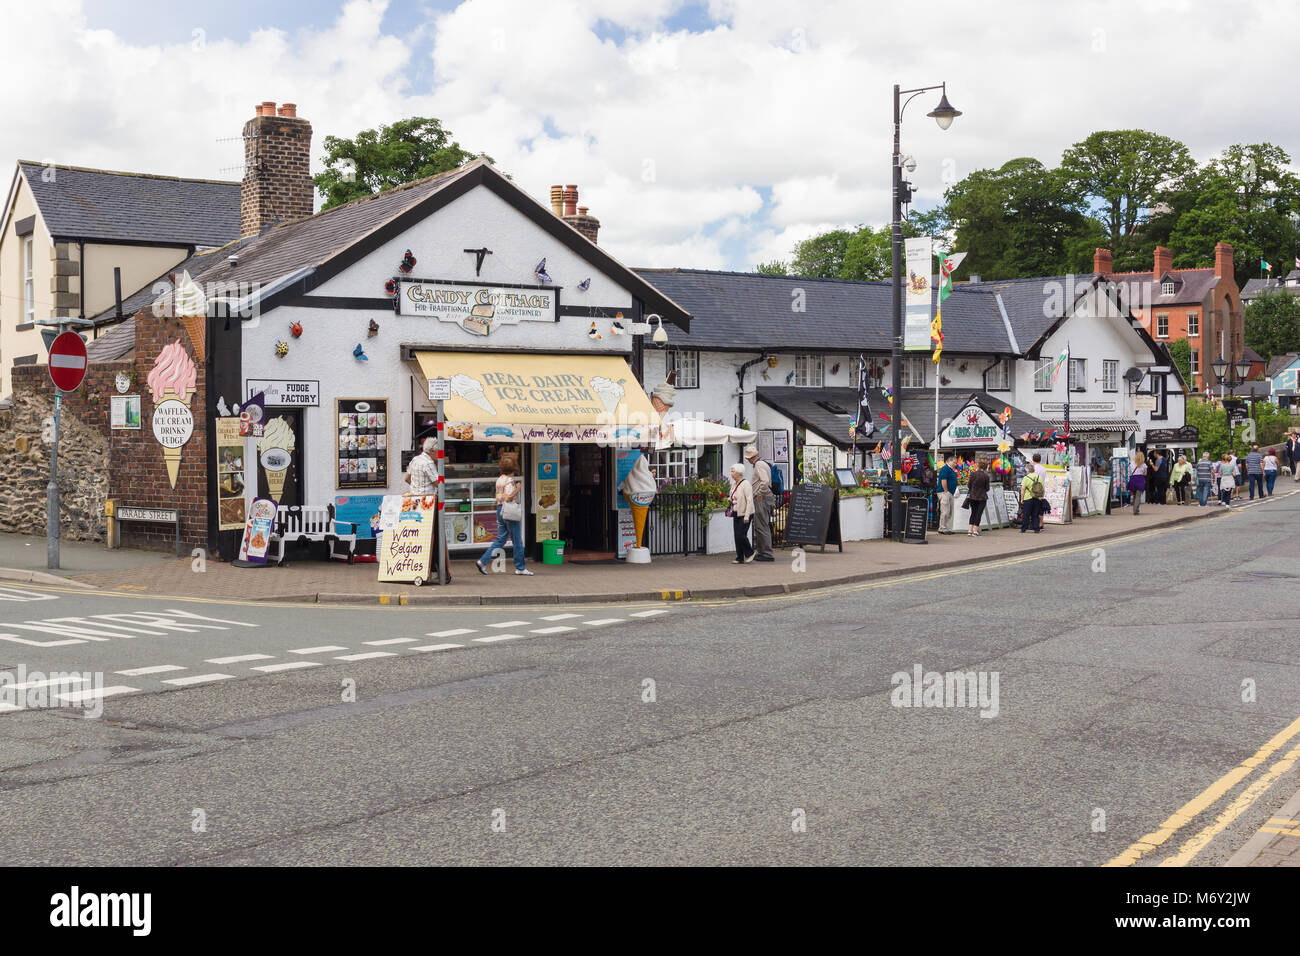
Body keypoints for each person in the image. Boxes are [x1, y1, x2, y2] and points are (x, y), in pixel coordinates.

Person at [475, 452, 532, 575]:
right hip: (509, 511)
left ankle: (482, 561)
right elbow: (508, 498)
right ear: (514, 468)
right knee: (517, 541)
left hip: (499, 510)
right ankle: (520, 568)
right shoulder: (510, 481)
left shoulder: (499, 479)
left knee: (501, 539)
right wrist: (517, 489)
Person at [744, 444, 775, 562]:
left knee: (761, 525)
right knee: (761, 525)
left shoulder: (758, 464)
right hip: (765, 497)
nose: (748, 460)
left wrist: (759, 494)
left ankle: (766, 553)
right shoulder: (763, 463)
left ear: (752, 457)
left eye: (748, 458)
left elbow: (765, 481)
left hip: (762, 498)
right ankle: (763, 551)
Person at [727, 463, 755, 564]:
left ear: (739, 473)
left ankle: (750, 552)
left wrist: (747, 516)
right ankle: (740, 557)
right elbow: (734, 496)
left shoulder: (746, 484)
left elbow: (749, 500)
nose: (731, 473)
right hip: (736, 512)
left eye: (733, 471)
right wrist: (730, 499)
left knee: (741, 535)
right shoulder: (734, 484)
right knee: (736, 535)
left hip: (745, 513)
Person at [967, 459, 990, 536]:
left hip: (973, 496)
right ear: (986, 467)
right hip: (982, 497)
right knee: (979, 514)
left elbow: (969, 485)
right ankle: (975, 531)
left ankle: (969, 530)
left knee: (973, 513)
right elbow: (987, 488)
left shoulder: (973, 474)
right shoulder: (986, 476)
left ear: (978, 466)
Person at [937, 454, 958, 534]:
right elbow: (943, 480)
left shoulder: (950, 469)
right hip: (944, 492)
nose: (955, 464)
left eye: (956, 463)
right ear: (949, 461)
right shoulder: (945, 469)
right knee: (945, 511)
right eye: (954, 462)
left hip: (950, 492)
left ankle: (946, 528)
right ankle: (942, 528)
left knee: (949, 511)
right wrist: (946, 490)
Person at [1020, 466, 1044, 533]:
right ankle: (1036, 528)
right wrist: (1041, 497)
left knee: (1026, 514)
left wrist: (1022, 499)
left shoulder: (1026, 478)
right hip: (1037, 498)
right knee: (1035, 514)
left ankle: (1024, 528)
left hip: (1028, 498)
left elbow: (1023, 489)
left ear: (1028, 470)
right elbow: (1042, 488)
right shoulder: (1039, 477)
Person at [1128, 451, 1147, 515]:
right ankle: (1136, 510)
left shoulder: (1132, 463)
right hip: (1140, 479)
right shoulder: (1144, 465)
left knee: (1134, 495)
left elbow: (1130, 471)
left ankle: (1135, 509)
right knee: (1138, 496)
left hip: (1133, 479)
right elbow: (1145, 473)